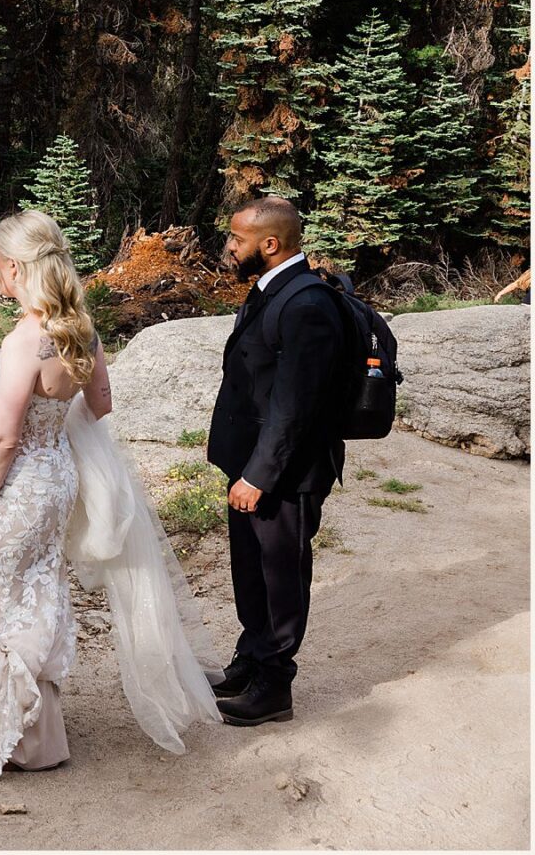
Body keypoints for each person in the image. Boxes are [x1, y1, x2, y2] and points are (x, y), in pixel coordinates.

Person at [0, 210, 220, 776]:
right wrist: (57, 429)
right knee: (37, 588)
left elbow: (5, 437)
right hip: (58, 476)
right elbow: (102, 403)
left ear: (12, 267)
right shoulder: (78, 329)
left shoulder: (25, 339)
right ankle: (42, 735)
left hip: (18, 484)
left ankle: (10, 737)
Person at [206, 196, 346, 726]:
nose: (229, 246)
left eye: (237, 239)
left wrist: (258, 476)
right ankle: (250, 660)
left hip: (285, 474)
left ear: (270, 245)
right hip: (254, 467)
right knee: (252, 569)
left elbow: (296, 406)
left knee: (280, 574)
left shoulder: (307, 304)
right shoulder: (272, 290)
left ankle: (274, 686)